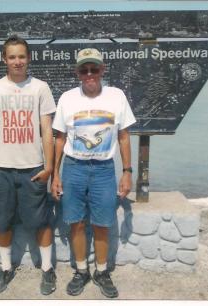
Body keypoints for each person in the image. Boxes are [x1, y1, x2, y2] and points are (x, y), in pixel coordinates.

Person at [51, 48, 136, 298]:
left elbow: (123, 136)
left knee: (102, 223)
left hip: (104, 170)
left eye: (94, 69)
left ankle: (101, 271)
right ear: (77, 72)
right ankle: (81, 271)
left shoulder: (117, 96)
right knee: (75, 223)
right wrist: (55, 174)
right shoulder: (67, 98)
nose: (89, 74)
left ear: (102, 70)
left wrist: (127, 171)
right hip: (74, 168)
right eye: (84, 69)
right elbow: (59, 138)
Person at [0, 36, 57, 295]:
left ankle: (47, 269)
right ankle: (5, 268)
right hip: (1, 167)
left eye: (21, 56)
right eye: (12, 57)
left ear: (29, 58)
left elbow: (47, 130)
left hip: (33, 168)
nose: (17, 62)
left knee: (41, 221)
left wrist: (49, 167)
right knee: (2, 222)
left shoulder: (40, 88)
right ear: (4, 59)